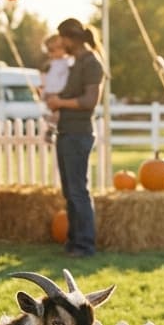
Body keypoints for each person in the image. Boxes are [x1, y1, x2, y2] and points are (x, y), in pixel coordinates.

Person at [44, 18, 105, 258]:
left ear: (70, 38)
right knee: (70, 191)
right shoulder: (75, 63)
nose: (59, 43)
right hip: (67, 131)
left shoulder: (91, 63)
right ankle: (73, 241)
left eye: (61, 38)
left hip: (79, 134)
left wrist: (59, 102)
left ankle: (85, 244)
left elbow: (90, 101)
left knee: (79, 191)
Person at [39, 32, 71, 143]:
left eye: (52, 50)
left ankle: (51, 130)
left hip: (59, 92)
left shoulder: (67, 62)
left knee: (57, 113)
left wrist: (58, 92)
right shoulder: (51, 64)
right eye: (48, 51)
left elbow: (64, 79)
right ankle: (51, 129)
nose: (50, 54)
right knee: (49, 113)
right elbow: (48, 80)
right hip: (50, 92)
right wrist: (44, 92)